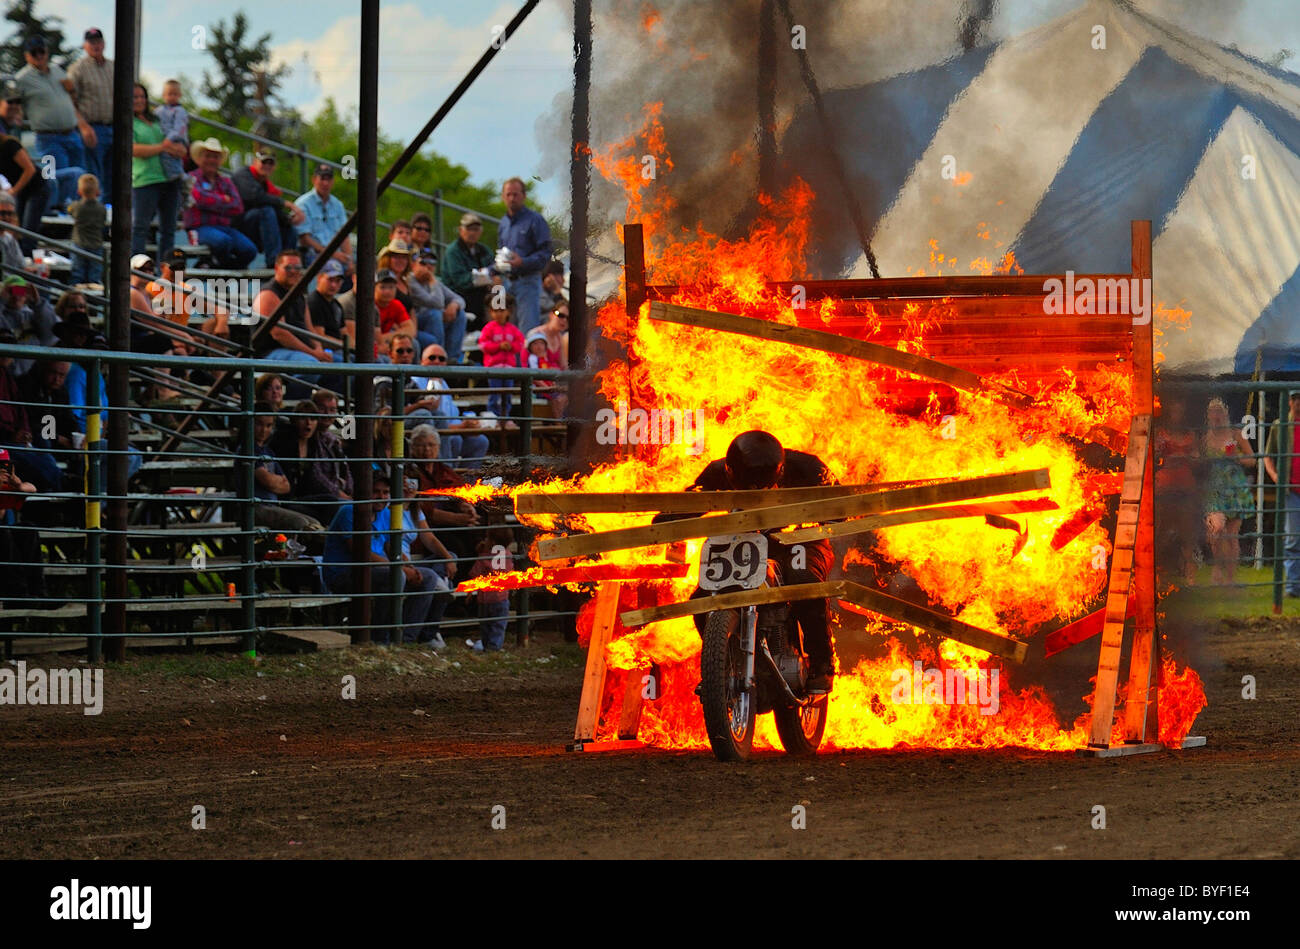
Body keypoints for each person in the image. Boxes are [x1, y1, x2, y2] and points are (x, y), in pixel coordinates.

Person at [656, 430, 839, 693]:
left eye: (761, 488)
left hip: (803, 539)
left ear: (780, 472)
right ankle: (720, 663)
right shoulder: (716, 473)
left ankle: (822, 664)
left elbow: (844, 502)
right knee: (701, 598)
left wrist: (832, 515)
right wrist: (669, 520)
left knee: (803, 581)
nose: (754, 493)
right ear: (731, 473)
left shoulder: (809, 469)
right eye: (746, 489)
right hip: (747, 544)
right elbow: (689, 503)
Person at [321, 470, 440, 645]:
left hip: (376, 570)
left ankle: (404, 639)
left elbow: (392, 547)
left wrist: (409, 567)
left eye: (385, 492)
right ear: (365, 492)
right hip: (344, 573)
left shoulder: (385, 513)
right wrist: (400, 569)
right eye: (376, 491)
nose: (381, 496)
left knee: (429, 577)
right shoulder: (349, 511)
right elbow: (361, 553)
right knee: (395, 576)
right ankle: (380, 639)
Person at [15, 35, 89, 214]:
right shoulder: (22, 78)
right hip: (48, 137)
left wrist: (72, 92)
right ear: (27, 56)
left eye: (42, 51)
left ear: (47, 52)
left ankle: (80, 212)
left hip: (71, 133)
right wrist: (17, 116)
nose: (39, 56)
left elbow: (71, 96)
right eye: (34, 53)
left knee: (81, 178)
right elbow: (13, 101)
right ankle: (56, 214)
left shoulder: (57, 70)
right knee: (58, 178)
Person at [244, 401, 326, 544]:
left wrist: (272, 480)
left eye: (268, 426)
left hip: (273, 505)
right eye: (259, 424)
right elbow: (268, 481)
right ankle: (293, 558)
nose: (264, 430)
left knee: (314, 522)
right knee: (300, 523)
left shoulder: (268, 451)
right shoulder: (248, 450)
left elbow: (286, 485)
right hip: (255, 507)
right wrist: (274, 480)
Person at [252, 249, 335, 384]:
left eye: (297, 267)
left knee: (342, 363)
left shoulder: (299, 294)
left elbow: (310, 329)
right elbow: (280, 334)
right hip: (271, 352)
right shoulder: (269, 294)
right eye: (288, 267)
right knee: (310, 365)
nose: (293, 271)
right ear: (276, 268)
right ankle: (295, 401)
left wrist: (319, 349)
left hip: (301, 351)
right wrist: (313, 354)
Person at [1202, 397, 1254, 587]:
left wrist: (1236, 456)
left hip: (1235, 488)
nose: (1215, 415)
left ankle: (1230, 579)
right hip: (1215, 489)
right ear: (1209, 416)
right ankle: (1217, 566)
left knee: (1232, 537)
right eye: (1212, 412)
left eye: (1218, 411)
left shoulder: (1236, 433)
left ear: (1225, 413)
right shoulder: (1206, 437)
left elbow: (1252, 460)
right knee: (1216, 530)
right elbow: (1202, 465)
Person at [0, 328, 61, 493]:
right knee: (41, 455)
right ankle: (62, 486)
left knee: (44, 453)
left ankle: (60, 486)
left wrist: (24, 431)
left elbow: (22, 414)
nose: (57, 379)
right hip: (7, 442)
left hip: (18, 441)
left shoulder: (8, 378)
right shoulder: (26, 383)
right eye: (3, 345)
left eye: (10, 346)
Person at [131, 82, 186, 260]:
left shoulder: (156, 119)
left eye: (142, 96)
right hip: (145, 180)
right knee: (141, 227)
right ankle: (137, 268)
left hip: (169, 179)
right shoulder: (129, 123)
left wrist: (171, 148)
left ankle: (165, 269)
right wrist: (162, 148)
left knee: (168, 229)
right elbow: (134, 150)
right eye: (135, 97)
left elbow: (180, 147)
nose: (139, 100)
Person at [182, 137, 256, 268]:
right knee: (222, 242)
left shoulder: (225, 181)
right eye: (208, 156)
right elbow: (199, 200)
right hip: (200, 227)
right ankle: (221, 269)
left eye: (215, 157)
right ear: (200, 158)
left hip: (224, 228)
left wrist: (211, 200)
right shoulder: (192, 178)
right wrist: (223, 199)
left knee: (250, 250)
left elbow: (238, 207)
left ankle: (222, 268)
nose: (212, 160)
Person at [412, 343, 489, 467]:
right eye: (432, 358)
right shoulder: (416, 381)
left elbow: (453, 416)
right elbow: (431, 417)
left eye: (441, 359)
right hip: (429, 433)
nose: (437, 361)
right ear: (422, 361)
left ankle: (468, 483)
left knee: (480, 441)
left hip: (450, 430)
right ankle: (447, 478)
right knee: (455, 439)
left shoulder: (443, 382)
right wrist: (461, 427)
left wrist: (470, 425)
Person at [233, 149, 306, 268]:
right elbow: (255, 197)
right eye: (264, 162)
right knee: (266, 211)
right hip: (239, 227)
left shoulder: (267, 185)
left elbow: (272, 206)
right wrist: (287, 203)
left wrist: (289, 219)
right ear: (255, 162)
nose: (267, 166)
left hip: (258, 228)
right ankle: (274, 262)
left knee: (289, 228)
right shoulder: (243, 174)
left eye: (270, 163)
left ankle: (290, 263)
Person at [1155, 398, 1201, 586]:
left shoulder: (1191, 435)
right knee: (1159, 534)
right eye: (1173, 412)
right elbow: (1154, 456)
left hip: (1185, 489)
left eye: (1179, 412)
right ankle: (1155, 577)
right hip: (1164, 489)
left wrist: (1188, 457)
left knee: (1187, 535)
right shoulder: (1161, 434)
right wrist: (1165, 458)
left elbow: (1198, 459)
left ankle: (1190, 578)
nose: (1177, 416)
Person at [496, 177, 552, 334]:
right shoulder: (503, 223)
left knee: (528, 333)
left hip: (528, 282)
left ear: (524, 196)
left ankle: (527, 360)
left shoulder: (535, 220)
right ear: (503, 196)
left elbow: (546, 252)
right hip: (506, 283)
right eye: (508, 194)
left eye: (516, 194)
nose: (512, 198)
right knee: (507, 332)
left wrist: (523, 261)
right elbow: (500, 250)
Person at [66, 28, 113, 190]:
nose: (96, 45)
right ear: (85, 46)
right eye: (92, 42)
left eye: (98, 41)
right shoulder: (77, 69)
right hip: (92, 128)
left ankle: (112, 211)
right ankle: (94, 209)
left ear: (104, 44)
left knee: (114, 175)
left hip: (114, 127)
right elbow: (69, 101)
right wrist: (83, 126)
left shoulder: (114, 67)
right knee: (93, 175)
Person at [1265, 391, 1300, 597]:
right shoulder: (1280, 425)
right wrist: (1276, 477)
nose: (1299, 403)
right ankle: (1293, 588)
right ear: (1290, 402)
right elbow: (1268, 457)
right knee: (1294, 539)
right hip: (1291, 490)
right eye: (1296, 399)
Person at [408, 250, 467, 362]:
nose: (428, 267)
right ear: (413, 264)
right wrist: (432, 281)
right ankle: (438, 356)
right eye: (423, 262)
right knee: (435, 314)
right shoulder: (411, 281)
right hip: (417, 324)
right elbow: (437, 303)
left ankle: (452, 358)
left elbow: (460, 300)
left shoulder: (435, 282)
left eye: (432, 263)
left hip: (434, 323)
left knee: (460, 314)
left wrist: (454, 305)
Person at [294, 163, 353, 273]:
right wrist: (332, 254)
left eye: (329, 179)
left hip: (336, 255)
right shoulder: (303, 204)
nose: (325, 183)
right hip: (313, 255)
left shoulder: (337, 204)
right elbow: (305, 239)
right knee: (333, 268)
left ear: (333, 181)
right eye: (322, 179)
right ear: (314, 179)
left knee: (365, 267)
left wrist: (350, 260)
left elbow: (345, 237)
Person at [478, 292, 525, 429]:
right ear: (491, 312)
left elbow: (520, 343)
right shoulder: (489, 328)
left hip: (508, 368)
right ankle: (493, 416)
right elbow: (483, 345)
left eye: (502, 310)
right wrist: (498, 346)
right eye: (495, 311)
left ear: (508, 311)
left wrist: (511, 347)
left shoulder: (513, 329)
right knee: (495, 393)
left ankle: (506, 417)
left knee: (507, 394)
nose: (499, 314)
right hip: (494, 368)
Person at [467, 527, 515, 652]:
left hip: (484, 599)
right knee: (498, 625)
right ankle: (494, 647)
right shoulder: (508, 555)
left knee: (485, 625)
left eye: (487, 538)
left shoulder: (484, 557)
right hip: (501, 598)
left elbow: (475, 575)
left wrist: (470, 593)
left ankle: (487, 644)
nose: (484, 540)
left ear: (492, 542)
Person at [441, 211, 494, 324]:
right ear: (461, 230)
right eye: (469, 229)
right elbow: (459, 281)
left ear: (480, 232)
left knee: (502, 290)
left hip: (482, 294)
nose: (472, 233)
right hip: (459, 295)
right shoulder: (453, 251)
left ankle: (501, 329)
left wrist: (496, 279)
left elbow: (495, 268)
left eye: (476, 229)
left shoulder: (484, 250)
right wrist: (483, 277)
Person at [0, 275, 57, 376]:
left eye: (20, 291)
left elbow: (50, 332)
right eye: (11, 291)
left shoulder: (32, 316)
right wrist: (1, 301)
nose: (16, 296)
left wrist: (38, 304)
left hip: (31, 376)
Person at [0, 123, 43, 254]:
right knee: (16, 227)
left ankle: (28, 256)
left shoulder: (10, 145)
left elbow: (29, 169)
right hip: (21, 191)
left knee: (28, 228)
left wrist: (13, 191)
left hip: (37, 188)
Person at [67, 173, 105, 285]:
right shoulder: (101, 208)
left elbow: (69, 210)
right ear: (97, 191)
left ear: (79, 191)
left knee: (77, 274)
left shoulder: (76, 206)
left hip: (79, 244)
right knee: (94, 276)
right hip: (96, 244)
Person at [373, 268, 416, 359]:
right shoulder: (369, 305)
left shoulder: (396, 304)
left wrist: (385, 338)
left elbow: (411, 330)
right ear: (374, 288)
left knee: (413, 344)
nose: (388, 291)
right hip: (371, 345)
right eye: (383, 287)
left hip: (385, 342)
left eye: (391, 287)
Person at [155, 79, 189, 183]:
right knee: (164, 158)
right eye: (169, 94)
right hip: (163, 139)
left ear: (179, 95)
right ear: (163, 95)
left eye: (175, 94)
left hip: (174, 139)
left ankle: (179, 177)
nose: (172, 97)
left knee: (172, 158)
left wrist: (170, 139)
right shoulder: (159, 110)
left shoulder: (180, 111)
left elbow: (179, 128)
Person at [0, 195, 23, 271]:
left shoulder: (10, 238)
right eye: (2, 213)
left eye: (10, 214)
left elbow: (21, 267)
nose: (6, 218)